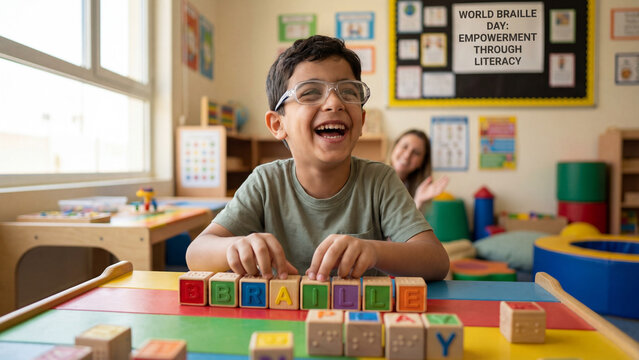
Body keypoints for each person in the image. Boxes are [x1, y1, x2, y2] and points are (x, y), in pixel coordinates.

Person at [186, 35, 449, 283]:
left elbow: (436, 260)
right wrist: (234, 246)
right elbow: (196, 253)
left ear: (362, 121)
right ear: (278, 124)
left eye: (348, 91)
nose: (334, 103)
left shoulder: (380, 180)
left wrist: (373, 250)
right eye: (310, 92)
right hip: (279, 322)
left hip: (357, 321)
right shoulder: (265, 182)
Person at [390, 129, 449, 211]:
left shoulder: (417, 191)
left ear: (422, 162)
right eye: (404, 146)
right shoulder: (372, 177)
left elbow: (405, 223)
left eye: (416, 152)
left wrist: (418, 201)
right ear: (394, 147)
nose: (407, 155)